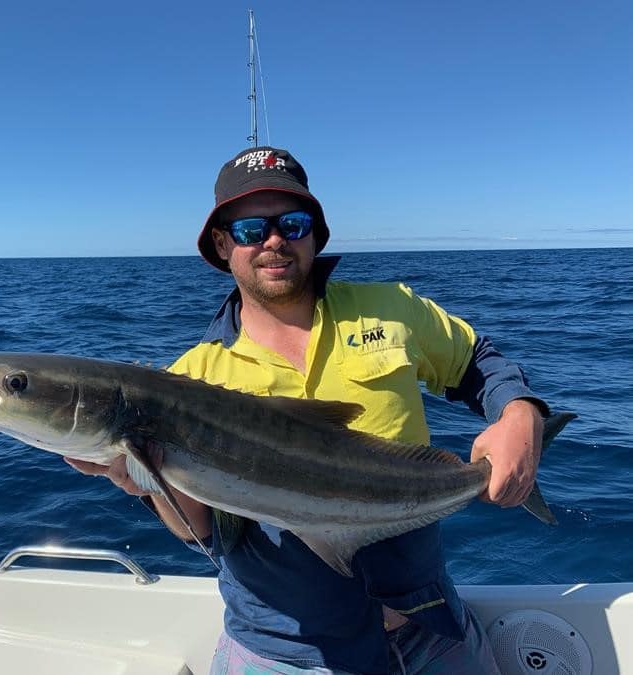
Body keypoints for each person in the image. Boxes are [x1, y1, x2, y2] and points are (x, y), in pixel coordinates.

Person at [67, 146, 548, 674]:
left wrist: (519, 415)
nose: (274, 241)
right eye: (251, 230)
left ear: (315, 234)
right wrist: (149, 479)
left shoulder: (394, 309)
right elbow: (198, 532)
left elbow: (477, 362)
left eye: (292, 224)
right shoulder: (191, 378)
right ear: (223, 244)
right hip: (285, 654)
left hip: (429, 629)